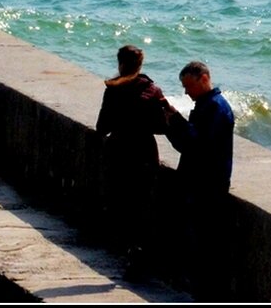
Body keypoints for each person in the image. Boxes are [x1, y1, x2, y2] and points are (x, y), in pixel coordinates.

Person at [95, 45, 170, 274]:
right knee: (143, 205)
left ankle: (129, 251)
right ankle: (138, 255)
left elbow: (101, 127)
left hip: (119, 151)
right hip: (144, 152)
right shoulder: (152, 90)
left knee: (121, 203)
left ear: (120, 64)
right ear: (140, 65)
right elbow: (161, 127)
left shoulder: (113, 89)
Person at [163, 60, 235, 298]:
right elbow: (188, 144)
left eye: (188, 86)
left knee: (206, 247)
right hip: (201, 184)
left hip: (209, 186)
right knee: (198, 246)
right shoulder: (206, 105)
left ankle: (208, 294)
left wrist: (175, 122)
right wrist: (173, 122)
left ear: (204, 79)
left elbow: (196, 145)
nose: (186, 92)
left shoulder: (215, 108)